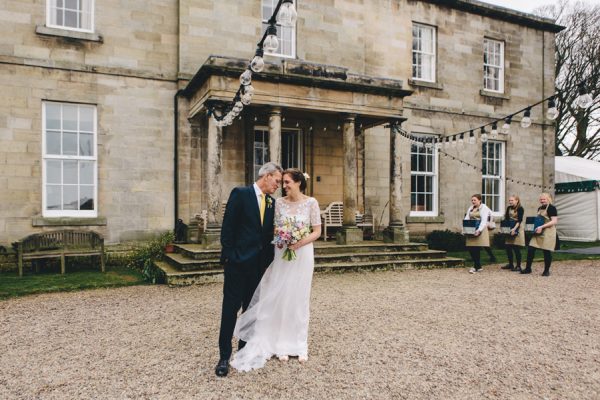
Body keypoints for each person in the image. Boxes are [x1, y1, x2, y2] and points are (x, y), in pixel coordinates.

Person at [230, 168, 322, 372]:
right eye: (283, 182)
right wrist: (284, 236)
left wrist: (298, 242)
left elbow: (317, 231)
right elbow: (273, 228)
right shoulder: (279, 203)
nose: (284, 186)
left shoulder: (311, 203)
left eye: (288, 182)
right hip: (282, 252)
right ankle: (281, 343)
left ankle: (298, 343)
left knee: (299, 297)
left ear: (298, 182)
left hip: (303, 254)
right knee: (280, 295)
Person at [215, 162, 283, 377]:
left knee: (251, 311)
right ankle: (224, 356)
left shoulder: (271, 203)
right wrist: (231, 257)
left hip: (258, 267)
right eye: (277, 181)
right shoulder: (241, 193)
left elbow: (267, 235)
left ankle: (243, 351)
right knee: (230, 310)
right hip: (237, 264)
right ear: (267, 176)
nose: (278, 186)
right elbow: (228, 228)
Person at [521, 193, 558, 276]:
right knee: (531, 249)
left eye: (544, 199)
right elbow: (538, 220)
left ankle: (546, 271)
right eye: (541, 199)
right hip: (539, 231)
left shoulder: (552, 208)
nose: (542, 201)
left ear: (548, 199)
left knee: (546, 251)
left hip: (548, 231)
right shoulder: (540, 208)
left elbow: (554, 221)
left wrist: (542, 226)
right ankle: (528, 268)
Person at [464, 194, 492, 273]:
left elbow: (484, 220)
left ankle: (476, 267)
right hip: (471, 229)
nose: (473, 201)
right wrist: (464, 228)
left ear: (480, 200)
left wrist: (479, 230)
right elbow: (467, 218)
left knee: (476, 248)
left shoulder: (484, 208)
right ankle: (478, 266)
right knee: (470, 247)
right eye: (472, 200)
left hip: (480, 229)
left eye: (474, 200)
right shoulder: (471, 208)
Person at [501, 195, 525, 271]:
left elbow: (519, 220)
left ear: (517, 200)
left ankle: (518, 266)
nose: (510, 202)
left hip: (517, 227)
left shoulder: (520, 208)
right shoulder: (508, 208)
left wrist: (514, 229)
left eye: (512, 200)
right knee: (508, 247)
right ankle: (510, 264)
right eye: (509, 200)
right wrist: (504, 229)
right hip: (509, 228)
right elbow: (506, 219)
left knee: (516, 248)